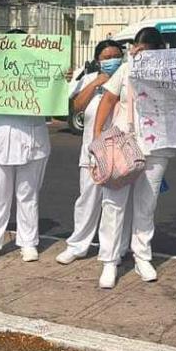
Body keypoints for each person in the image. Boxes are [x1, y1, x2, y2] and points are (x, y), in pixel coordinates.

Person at [91, 27, 174, 289]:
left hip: (157, 146)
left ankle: (142, 256)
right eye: (141, 47)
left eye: (151, 49)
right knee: (114, 203)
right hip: (123, 143)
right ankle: (109, 260)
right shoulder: (127, 69)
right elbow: (107, 100)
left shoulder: (170, 71)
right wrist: (96, 139)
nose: (145, 52)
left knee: (146, 205)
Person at [0, 28, 51, 263]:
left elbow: (59, 106)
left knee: (28, 196)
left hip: (34, 141)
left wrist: (60, 78)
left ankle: (28, 242)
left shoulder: (42, 68)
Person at [55, 39, 126, 265]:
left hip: (119, 154)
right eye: (106, 58)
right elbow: (77, 106)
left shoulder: (127, 80)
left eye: (116, 56)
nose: (112, 60)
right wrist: (98, 82)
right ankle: (78, 245)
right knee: (87, 199)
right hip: (91, 153)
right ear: (98, 60)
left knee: (114, 206)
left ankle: (113, 250)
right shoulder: (89, 79)